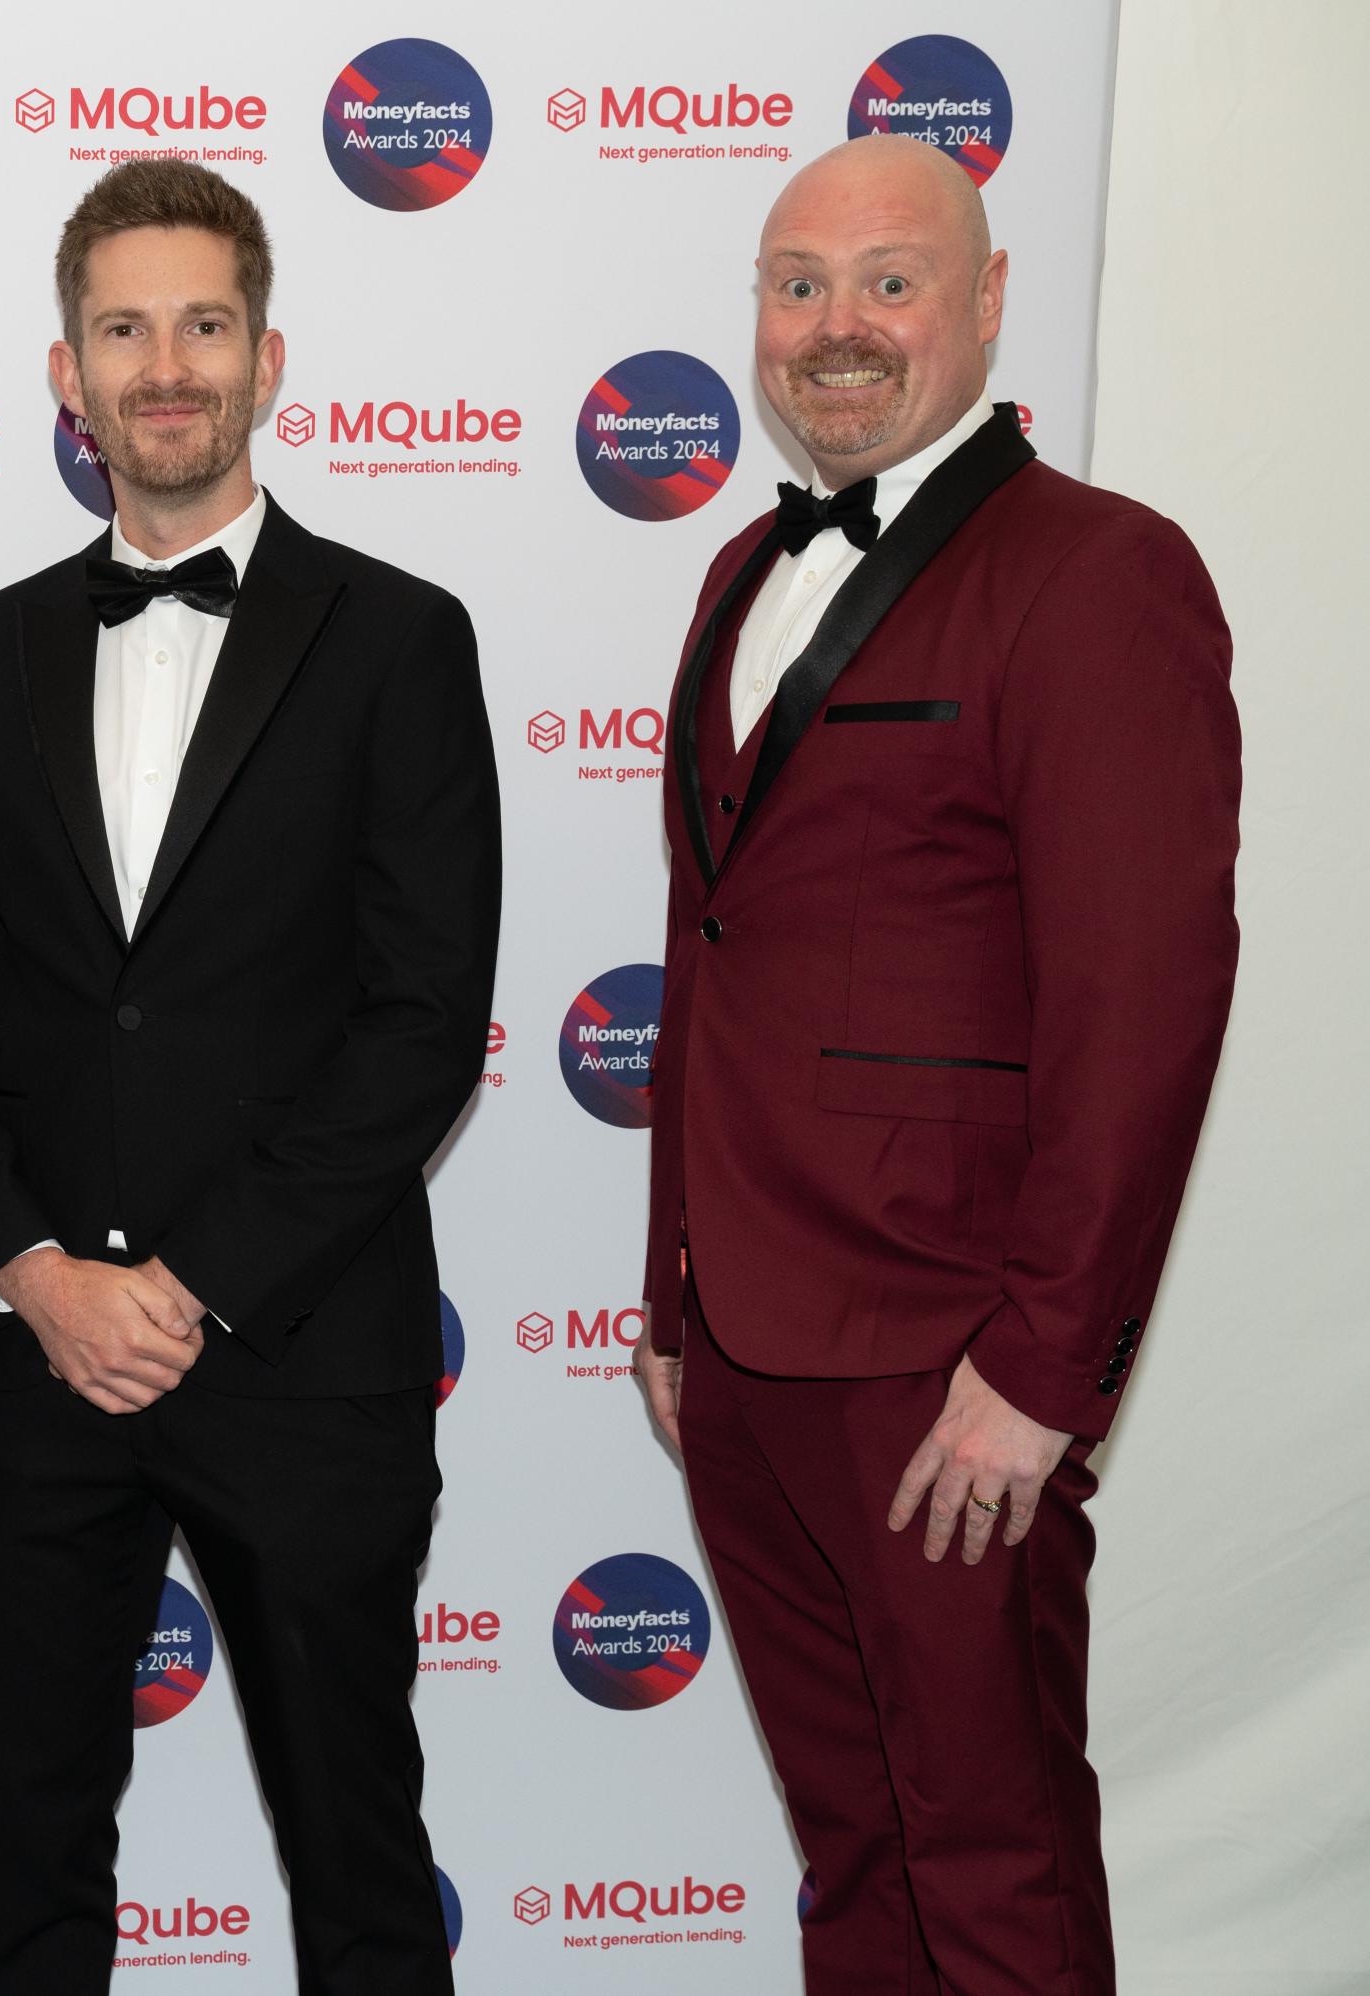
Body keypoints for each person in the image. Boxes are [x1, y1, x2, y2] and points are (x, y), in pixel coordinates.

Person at [0, 160, 500, 1993]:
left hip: (303, 1358)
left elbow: (423, 1024)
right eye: (124, 330)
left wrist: (196, 1282)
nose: (165, 367)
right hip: (31, 1364)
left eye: (203, 325)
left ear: (267, 359)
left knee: (359, 1864)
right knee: (30, 1872)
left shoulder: (402, 639)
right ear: (66, 374)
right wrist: (40, 1275)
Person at [633, 134, 1239, 1994]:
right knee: (855, 1850)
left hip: (950, 1362)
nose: (838, 325)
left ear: (985, 302)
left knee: (994, 1861)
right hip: (740, 1349)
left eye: (890, 282)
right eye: (799, 284)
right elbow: (713, 947)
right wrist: (669, 1295)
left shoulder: (1102, 573)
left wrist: (1044, 1372)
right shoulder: (741, 571)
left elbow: (1144, 1003)